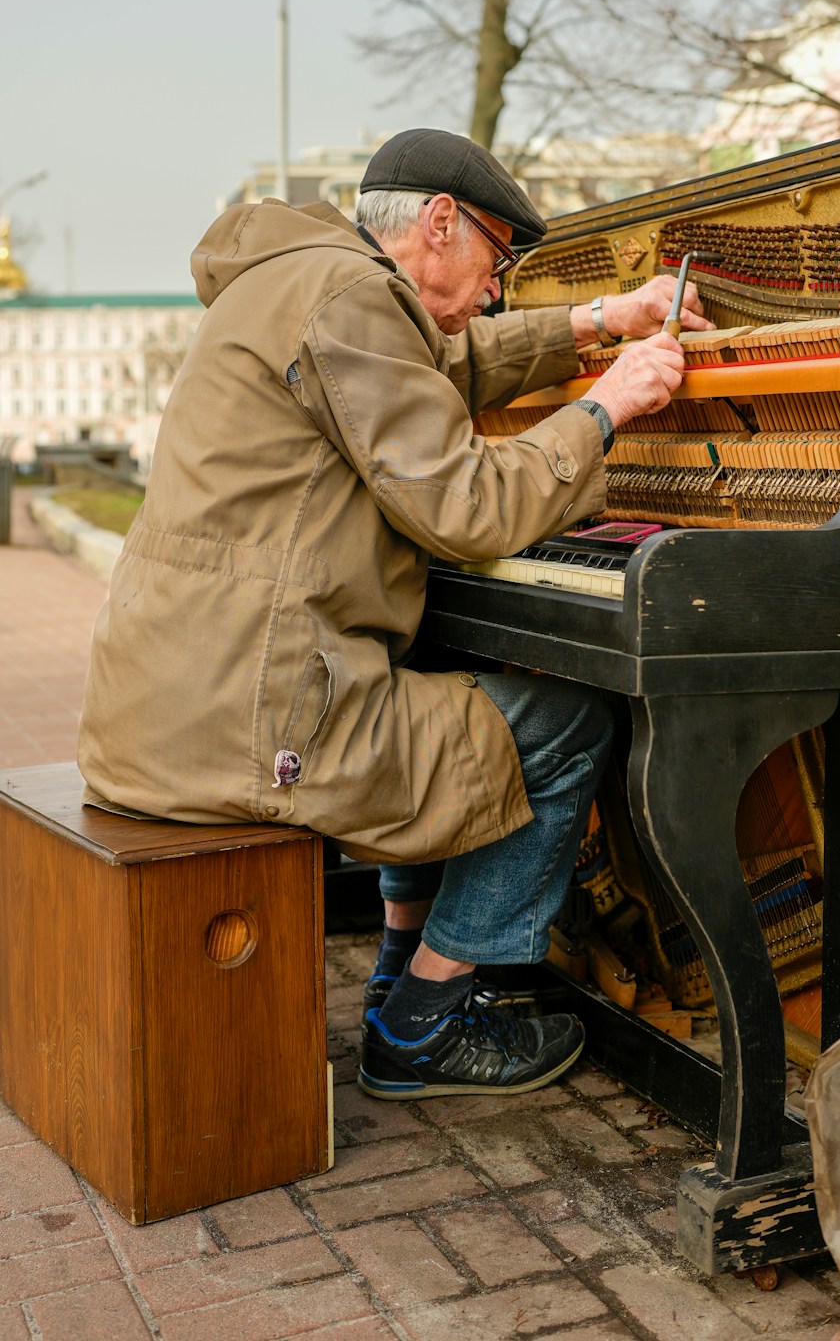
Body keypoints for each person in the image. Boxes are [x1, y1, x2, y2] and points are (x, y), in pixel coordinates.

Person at [78, 128, 709, 1100]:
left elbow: (443, 367)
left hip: (182, 700)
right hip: (253, 727)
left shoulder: (299, 276)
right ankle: (425, 1017)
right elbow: (467, 509)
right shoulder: (349, 296)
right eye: (500, 258)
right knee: (569, 720)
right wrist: (606, 408)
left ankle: (397, 969)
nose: (497, 291)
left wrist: (599, 320)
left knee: (431, 684)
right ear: (441, 222)